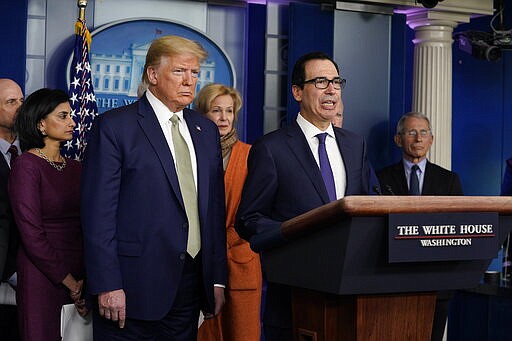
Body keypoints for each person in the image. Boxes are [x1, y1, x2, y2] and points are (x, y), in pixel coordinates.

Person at [81, 35, 227, 340]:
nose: (189, 81)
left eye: (195, 73)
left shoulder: (206, 131)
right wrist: (107, 283)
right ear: (152, 75)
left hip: (190, 286)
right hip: (131, 288)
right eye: (179, 71)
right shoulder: (115, 127)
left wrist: (216, 279)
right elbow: (98, 215)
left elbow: (213, 212)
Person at [235, 51, 371, 341]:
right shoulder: (271, 148)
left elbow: (369, 204)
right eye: (320, 81)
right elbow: (248, 219)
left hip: (351, 298)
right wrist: (294, 234)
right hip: (295, 298)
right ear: (298, 91)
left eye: (336, 81)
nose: (332, 89)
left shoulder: (355, 144)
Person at [376, 111, 463, 341]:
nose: (418, 139)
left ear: (431, 139)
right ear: (398, 139)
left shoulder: (449, 180)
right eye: (411, 132)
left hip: (436, 282)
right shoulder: (380, 179)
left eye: (424, 132)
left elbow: (457, 229)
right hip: (393, 281)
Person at [8, 88, 86, 341]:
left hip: (81, 274)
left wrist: (84, 280)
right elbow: (31, 234)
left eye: (71, 115)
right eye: (63, 116)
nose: (72, 122)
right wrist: (70, 282)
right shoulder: (26, 166)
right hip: (43, 275)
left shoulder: (76, 167)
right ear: (41, 123)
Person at [195, 84, 262, 341]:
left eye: (229, 111)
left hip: (240, 258)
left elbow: (257, 210)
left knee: (242, 333)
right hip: (200, 261)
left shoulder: (251, 155)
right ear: (202, 114)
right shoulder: (192, 153)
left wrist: (222, 241)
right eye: (216, 110)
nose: (224, 118)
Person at [0, 78, 23, 341]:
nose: (19, 108)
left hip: (31, 277)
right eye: (10, 102)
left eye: (21, 101)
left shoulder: (34, 151)